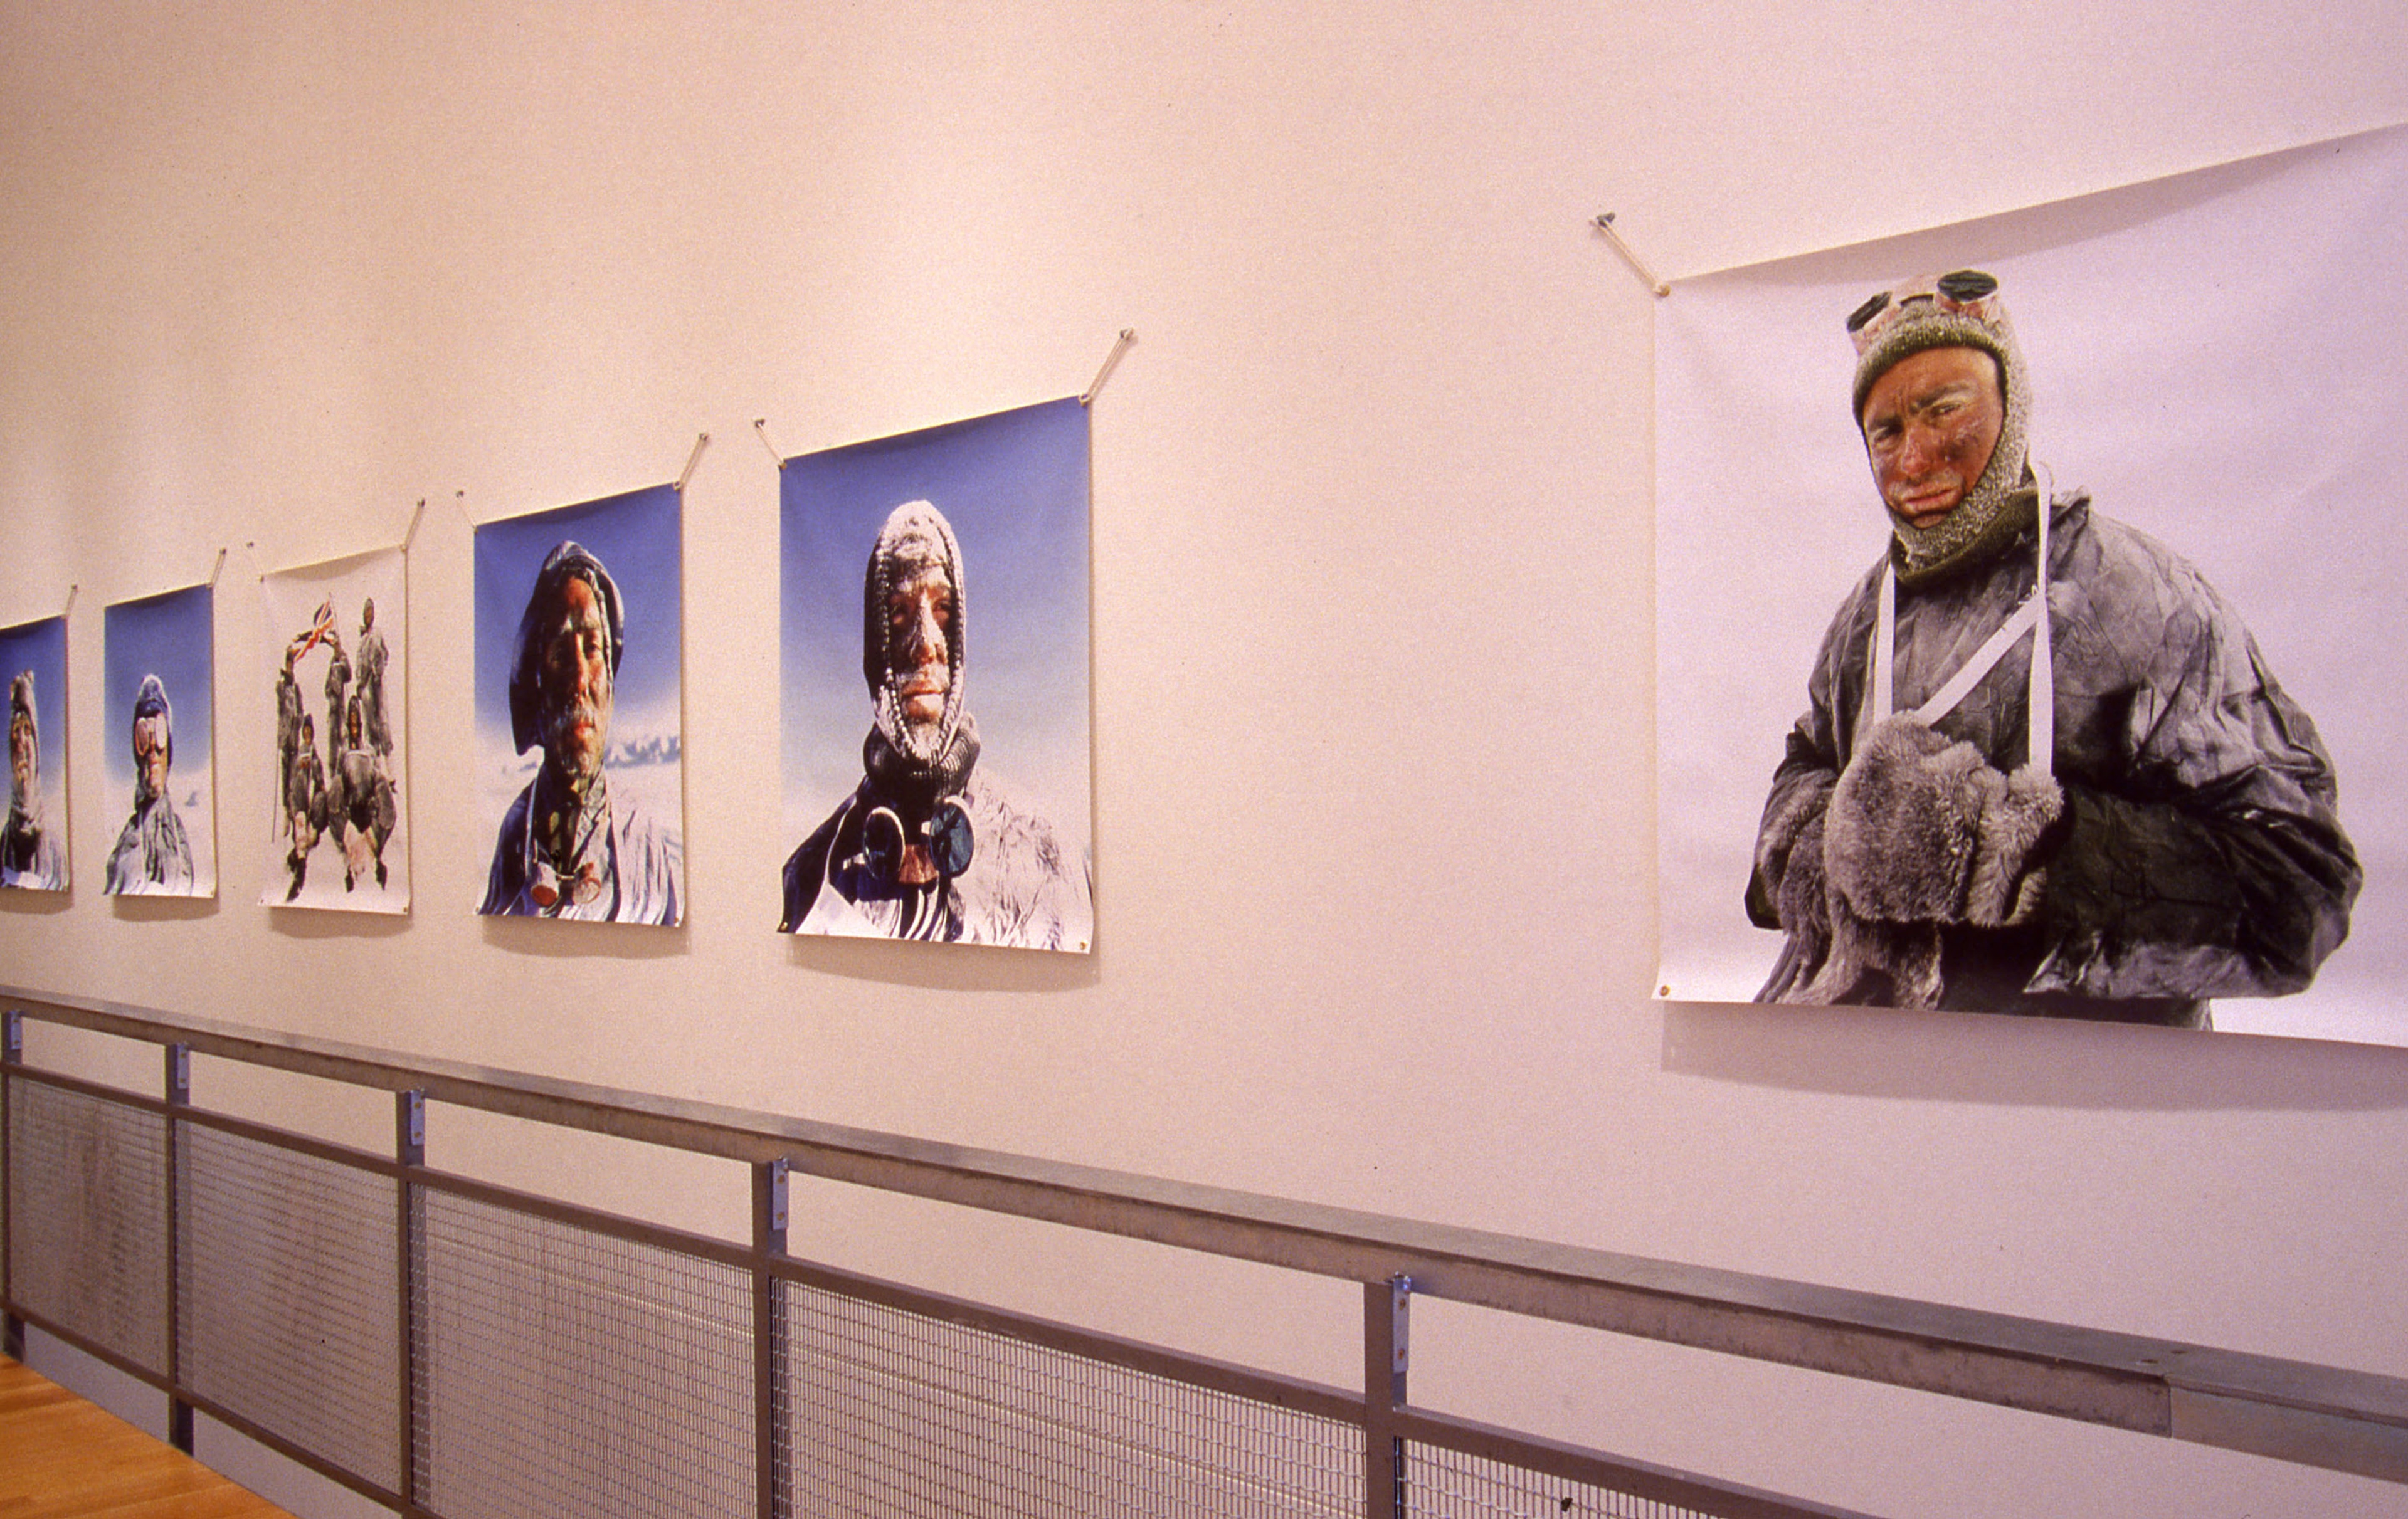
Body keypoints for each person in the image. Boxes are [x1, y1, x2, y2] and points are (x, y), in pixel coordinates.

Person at [1746, 270, 2358, 1025]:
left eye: (1945, 410)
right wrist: (1817, 848)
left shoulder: (2139, 596)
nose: (1913, 461)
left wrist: (1999, 852)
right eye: (1888, 431)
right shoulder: (1864, 618)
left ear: (2013, 406)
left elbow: (2298, 893)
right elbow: (1807, 758)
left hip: (2077, 1108)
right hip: (1870, 1088)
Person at [781, 500, 1092, 949]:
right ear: (875, 646)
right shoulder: (811, 876)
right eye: (900, 613)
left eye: (943, 609)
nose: (925, 644)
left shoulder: (1047, 855)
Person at [480, 540, 679, 923]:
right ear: (538, 689)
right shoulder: (517, 832)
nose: (580, 679)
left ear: (610, 684)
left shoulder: (643, 837)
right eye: (559, 655)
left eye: (592, 649)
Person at [106, 673, 196, 895]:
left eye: (160, 734)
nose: (153, 751)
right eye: (144, 737)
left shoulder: (178, 836)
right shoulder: (128, 839)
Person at [2, 671, 66, 889]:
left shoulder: (54, 848)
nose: (20, 741)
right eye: (15, 732)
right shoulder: (3, 844)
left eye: (27, 731)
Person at [328, 696, 396, 892]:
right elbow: (339, 781)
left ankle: (374, 854)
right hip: (350, 812)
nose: (354, 725)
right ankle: (353, 861)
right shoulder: (343, 751)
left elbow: (376, 778)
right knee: (336, 785)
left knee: (383, 791)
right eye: (351, 722)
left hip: (368, 810)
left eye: (357, 721)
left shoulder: (369, 749)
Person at [283, 713, 327, 901]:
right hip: (301, 801)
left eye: (310, 731)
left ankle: (298, 856)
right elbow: (295, 778)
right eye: (305, 731)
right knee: (301, 824)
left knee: (309, 837)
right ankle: (301, 869)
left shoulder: (315, 757)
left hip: (312, 805)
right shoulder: (300, 755)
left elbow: (320, 780)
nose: (307, 734)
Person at [354, 597, 391, 757]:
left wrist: (379, 670)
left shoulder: (377, 633)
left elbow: (385, 654)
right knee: (369, 724)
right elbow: (358, 664)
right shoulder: (362, 640)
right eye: (366, 612)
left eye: (370, 612)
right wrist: (360, 685)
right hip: (366, 684)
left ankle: (389, 760)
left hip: (377, 680)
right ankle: (374, 759)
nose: (368, 615)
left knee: (382, 719)